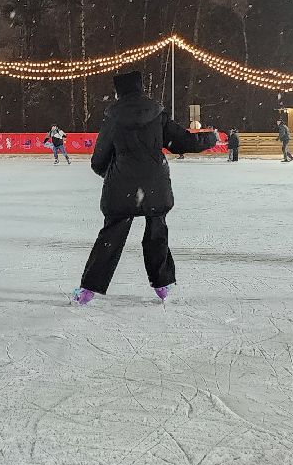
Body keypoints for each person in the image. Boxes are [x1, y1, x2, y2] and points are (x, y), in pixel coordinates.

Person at [73, 71, 217, 304]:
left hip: (122, 188)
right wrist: (210, 138)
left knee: (110, 237)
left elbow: (98, 160)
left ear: (119, 92)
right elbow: (183, 141)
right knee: (156, 231)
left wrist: (112, 174)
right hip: (154, 186)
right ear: (141, 89)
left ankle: (88, 289)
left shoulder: (113, 118)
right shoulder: (157, 115)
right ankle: (162, 284)